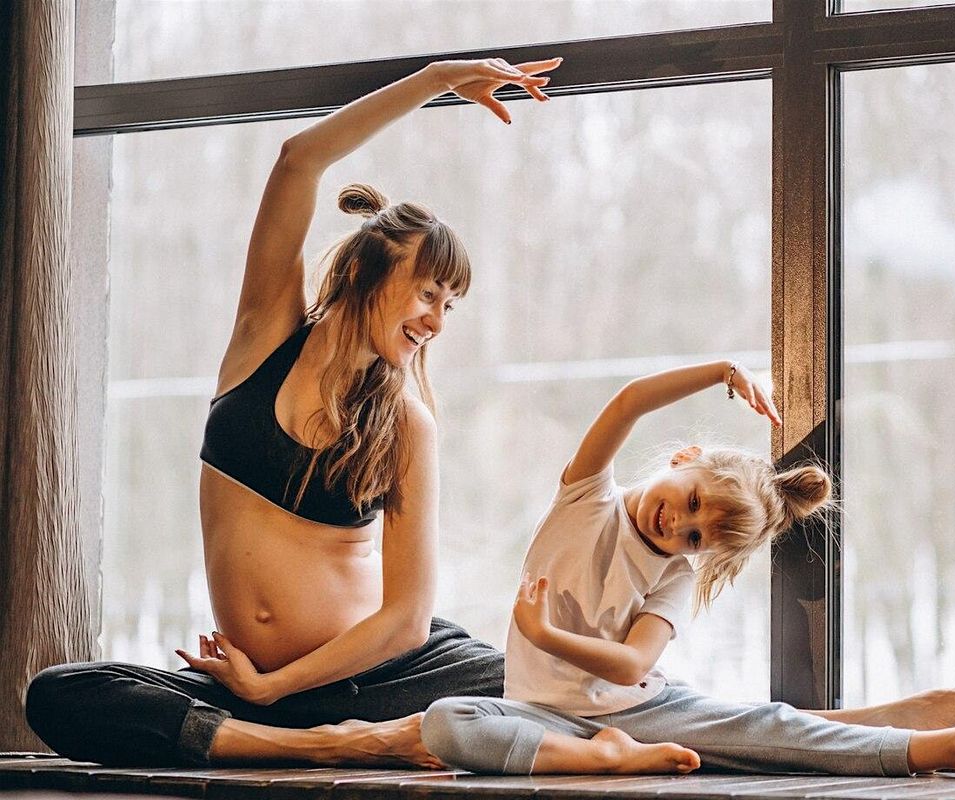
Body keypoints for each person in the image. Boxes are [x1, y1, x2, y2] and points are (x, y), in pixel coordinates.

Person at [24, 56, 562, 768]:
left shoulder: (406, 423)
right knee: (60, 695)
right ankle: (324, 746)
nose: (437, 321)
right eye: (430, 293)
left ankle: (292, 739)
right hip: (256, 694)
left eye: (449, 306)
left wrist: (276, 685)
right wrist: (435, 81)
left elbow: (404, 623)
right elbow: (297, 161)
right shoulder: (263, 337)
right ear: (375, 268)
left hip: (374, 677)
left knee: (547, 692)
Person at [420, 360, 955, 777]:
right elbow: (628, 402)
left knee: (770, 732)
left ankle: (943, 742)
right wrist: (721, 370)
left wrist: (546, 636)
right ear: (684, 459)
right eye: (691, 501)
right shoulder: (586, 498)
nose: (679, 526)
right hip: (545, 720)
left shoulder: (673, 573)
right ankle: (607, 760)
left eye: (696, 536)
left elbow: (635, 665)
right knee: (447, 724)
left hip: (634, 713)